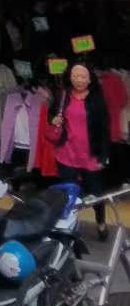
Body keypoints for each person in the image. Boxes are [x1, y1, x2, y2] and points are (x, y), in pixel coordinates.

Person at [48, 61, 111, 240]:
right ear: (70, 77)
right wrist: (53, 120)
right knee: (67, 193)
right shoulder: (63, 95)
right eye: (75, 76)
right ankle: (69, 224)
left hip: (90, 155)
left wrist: (103, 155)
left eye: (83, 76)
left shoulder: (97, 98)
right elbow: (51, 114)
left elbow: (104, 128)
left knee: (96, 193)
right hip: (67, 153)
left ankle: (101, 222)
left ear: (90, 79)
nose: (78, 80)